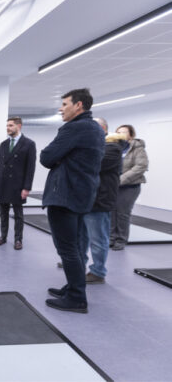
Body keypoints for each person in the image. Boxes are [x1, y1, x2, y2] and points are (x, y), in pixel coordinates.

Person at [41, 88, 104, 314]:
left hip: (65, 197)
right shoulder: (96, 128)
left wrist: (60, 158)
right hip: (81, 195)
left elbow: (46, 157)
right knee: (76, 246)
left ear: (78, 105)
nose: (61, 109)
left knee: (67, 249)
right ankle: (72, 287)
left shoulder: (74, 128)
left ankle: (77, 297)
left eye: (65, 104)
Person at [78, 118, 125, 284]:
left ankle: (98, 272)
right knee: (81, 237)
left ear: (103, 129)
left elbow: (92, 164)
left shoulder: (113, 148)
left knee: (97, 239)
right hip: (84, 199)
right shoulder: (93, 146)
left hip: (100, 200)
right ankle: (78, 263)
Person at [0, 117, 36, 250]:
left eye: (10, 125)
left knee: (18, 214)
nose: (8, 128)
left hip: (18, 184)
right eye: (7, 126)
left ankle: (18, 239)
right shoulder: (4, 144)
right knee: (3, 213)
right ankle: (3, 236)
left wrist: (27, 187)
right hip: (3, 183)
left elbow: (30, 168)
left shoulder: (29, 144)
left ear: (19, 126)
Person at [109, 124, 149, 251]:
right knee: (111, 212)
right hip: (113, 185)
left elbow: (141, 166)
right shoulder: (114, 147)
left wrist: (120, 180)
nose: (120, 134)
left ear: (131, 135)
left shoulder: (138, 148)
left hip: (130, 186)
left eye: (124, 132)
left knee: (122, 213)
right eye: (118, 132)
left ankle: (121, 240)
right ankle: (111, 238)